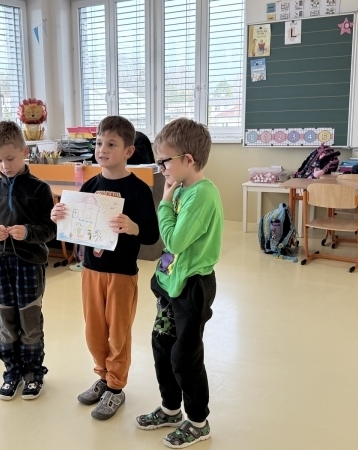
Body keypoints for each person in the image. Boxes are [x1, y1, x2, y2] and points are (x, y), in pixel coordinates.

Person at [51, 116, 159, 420]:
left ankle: (116, 387)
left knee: (118, 333)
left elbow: (151, 235)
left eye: (111, 144)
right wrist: (60, 216)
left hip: (122, 273)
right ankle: (102, 376)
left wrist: (133, 227)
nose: (102, 149)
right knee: (94, 330)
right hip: (91, 270)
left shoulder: (138, 190)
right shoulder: (90, 185)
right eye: (99, 143)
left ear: (128, 151)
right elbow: (77, 225)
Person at [135, 118, 223, 448]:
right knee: (162, 347)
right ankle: (171, 409)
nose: (161, 169)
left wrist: (163, 203)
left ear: (188, 159)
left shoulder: (201, 195)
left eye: (164, 161)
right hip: (171, 282)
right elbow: (171, 249)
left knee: (185, 358)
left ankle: (198, 422)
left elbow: (173, 240)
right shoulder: (183, 189)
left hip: (192, 287)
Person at [0, 121, 56, 401]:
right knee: (6, 321)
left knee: (30, 320)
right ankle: (12, 372)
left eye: (9, 158)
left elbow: (51, 229)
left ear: (24, 152)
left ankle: (33, 373)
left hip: (30, 264)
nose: (4, 166)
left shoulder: (40, 189)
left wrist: (29, 232)